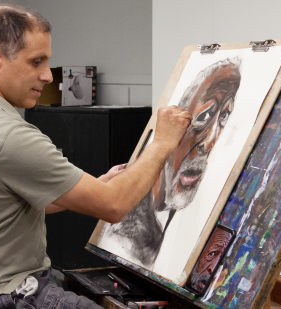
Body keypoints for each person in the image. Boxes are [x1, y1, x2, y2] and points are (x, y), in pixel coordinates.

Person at [0, 4, 193, 309]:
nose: (47, 76)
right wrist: (162, 142)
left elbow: (11, 198)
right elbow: (114, 205)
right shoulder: (7, 135)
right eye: (36, 62)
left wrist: (95, 185)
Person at [103, 58, 242, 266]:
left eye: (223, 118)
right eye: (204, 116)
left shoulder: (186, 220)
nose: (210, 141)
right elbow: (106, 204)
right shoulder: (124, 237)